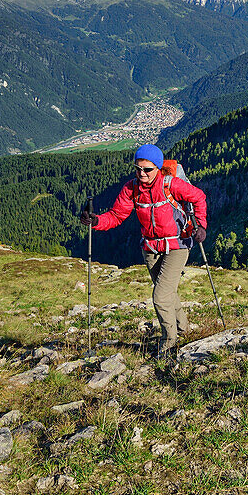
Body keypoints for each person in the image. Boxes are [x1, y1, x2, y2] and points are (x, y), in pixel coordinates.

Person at [81, 144, 208, 358]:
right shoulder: (131, 189)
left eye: (147, 169)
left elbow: (199, 197)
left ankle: (169, 343)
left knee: (160, 296)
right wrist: (96, 221)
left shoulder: (172, 185)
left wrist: (201, 225)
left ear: (157, 168)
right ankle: (184, 330)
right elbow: (116, 215)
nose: (142, 174)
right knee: (168, 293)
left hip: (178, 245)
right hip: (150, 249)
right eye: (138, 168)